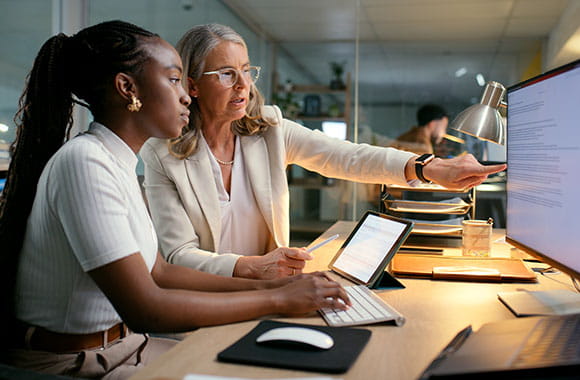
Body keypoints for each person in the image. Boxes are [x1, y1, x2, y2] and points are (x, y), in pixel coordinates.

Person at [0, 20, 349, 379]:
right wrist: (279, 300)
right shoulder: (84, 162)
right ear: (127, 88)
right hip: (76, 364)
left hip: (127, 347)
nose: (185, 95)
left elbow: (161, 272)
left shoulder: (115, 161)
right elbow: (146, 309)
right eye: (172, 79)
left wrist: (274, 284)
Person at [140, 24, 506, 281]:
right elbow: (178, 256)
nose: (243, 85)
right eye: (225, 74)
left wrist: (430, 168)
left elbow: (348, 156)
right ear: (192, 85)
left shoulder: (269, 130)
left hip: (270, 292)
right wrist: (253, 266)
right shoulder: (162, 155)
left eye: (247, 70)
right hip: (208, 302)